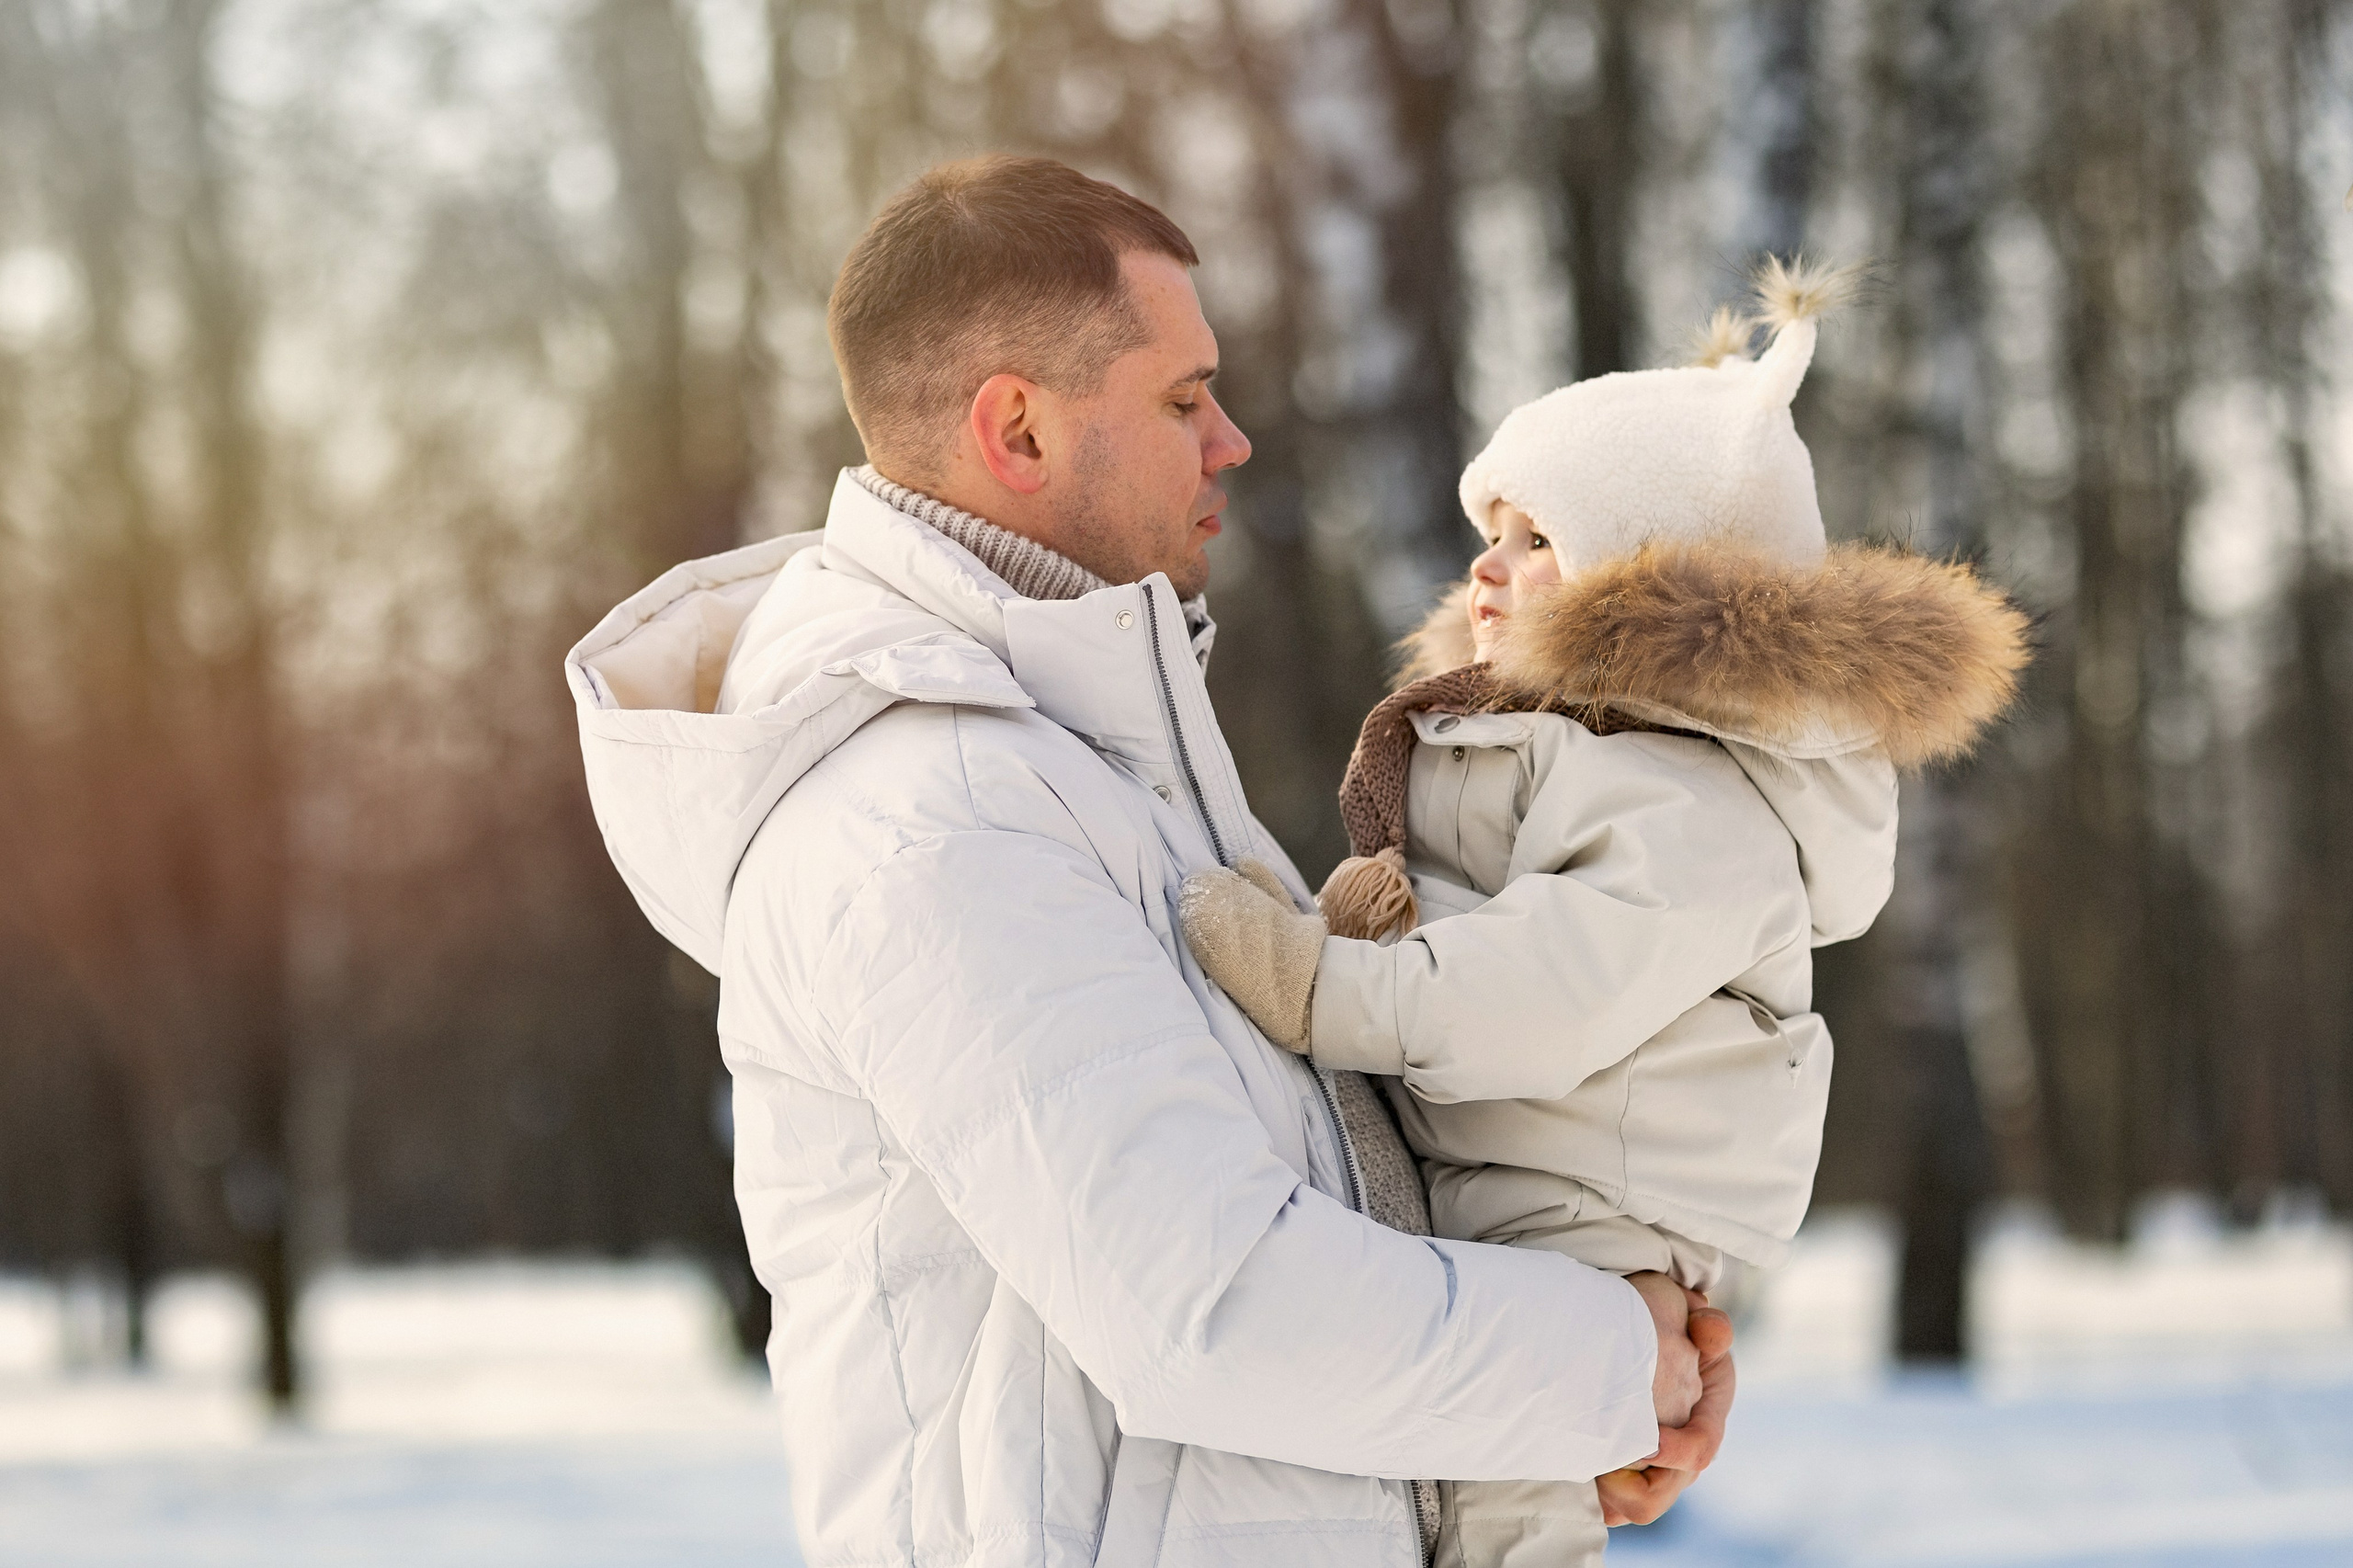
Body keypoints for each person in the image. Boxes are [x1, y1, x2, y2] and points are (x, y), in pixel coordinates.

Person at [564, 154, 1731, 1568]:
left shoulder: (1091, 765)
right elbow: (1216, 1309)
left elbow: (1311, 1219)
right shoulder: (932, 815)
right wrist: (1610, 1361)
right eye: (1184, 400)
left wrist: (1562, 1416)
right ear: (1019, 430)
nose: (1231, 440)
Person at [1177, 261, 2031, 1566]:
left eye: (1538, 540)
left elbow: (1537, 989)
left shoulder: (1694, 800)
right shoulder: (1562, 744)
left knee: (1506, 1515)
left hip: (1579, 1225)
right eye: (1493, 530)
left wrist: (1316, 987)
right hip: (1518, 1190)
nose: (1487, 563)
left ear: (1649, 588)